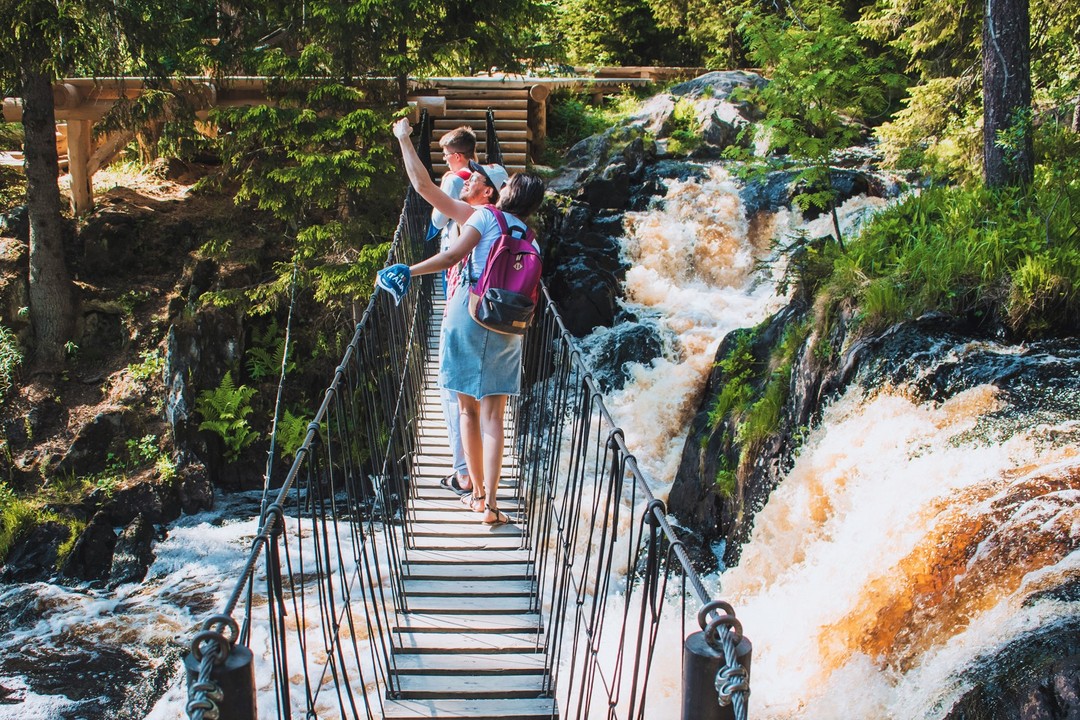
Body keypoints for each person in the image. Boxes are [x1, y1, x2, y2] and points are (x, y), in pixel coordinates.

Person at [386, 116, 545, 526]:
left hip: (468, 312)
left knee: (466, 411)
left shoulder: (484, 217)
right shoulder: (528, 235)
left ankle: (474, 494)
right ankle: (491, 505)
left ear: (502, 193)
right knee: (494, 414)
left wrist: (404, 138)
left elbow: (429, 201)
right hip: (509, 323)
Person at [431, 127, 477, 499]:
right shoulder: (490, 177)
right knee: (484, 400)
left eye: (446, 155)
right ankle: (480, 481)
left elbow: (436, 222)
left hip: (459, 280)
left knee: (450, 387)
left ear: (457, 155)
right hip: (488, 294)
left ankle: (463, 473)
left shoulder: (454, 180)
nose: (444, 160)